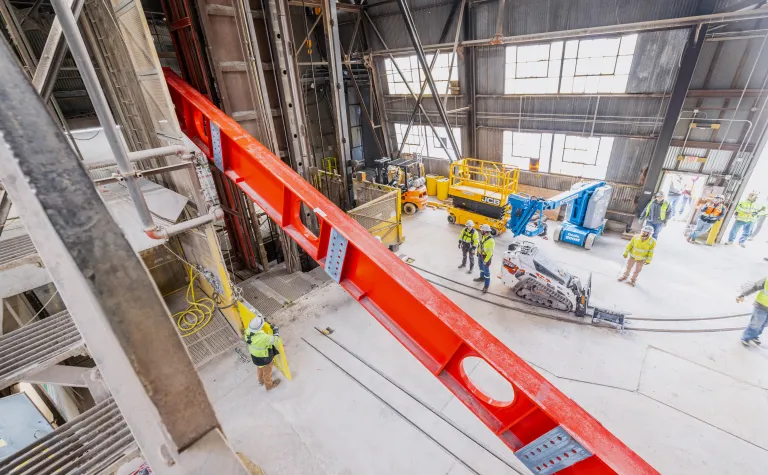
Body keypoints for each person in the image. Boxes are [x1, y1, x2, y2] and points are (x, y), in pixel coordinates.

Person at [244, 316, 282, 390]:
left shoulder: (247, 332)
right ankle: (269, 386)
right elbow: (277, 341)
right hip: (264, 358)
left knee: (260, 368)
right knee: (267, 371)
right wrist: (276, 331)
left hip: (255, 357)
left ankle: (260, 380)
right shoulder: (263, 337)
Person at [738, 276, 768, 347]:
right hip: (761, 305)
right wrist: (743, 295)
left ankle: (755, 335)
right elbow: (755, 287)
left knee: (764, 323)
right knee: (756, 323)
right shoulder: (767, 280)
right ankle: (746, 337)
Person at [473, 224, 495, 294]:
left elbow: (490, 253)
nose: (481, 231)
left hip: (485, 258)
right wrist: (478, 253)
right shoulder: (484, 237)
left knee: (486, 272)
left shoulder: (491, 241)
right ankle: (481, 278)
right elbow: (481, 245)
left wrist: (485, 261)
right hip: (480, 255)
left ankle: (486, 286)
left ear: (486, 231)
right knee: (481, 268)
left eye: (482, 230)